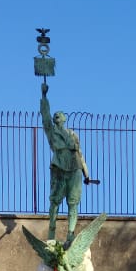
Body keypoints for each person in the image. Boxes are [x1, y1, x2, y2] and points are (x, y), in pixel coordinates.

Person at [41, 81, 92, 241]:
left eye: (60, 114)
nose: (56, 115)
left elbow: (80, 154)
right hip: (59, 169)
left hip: (75, 169)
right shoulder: (52, 133)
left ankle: (70, 235)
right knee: (55, 201)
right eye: (55, 114)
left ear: (64, 118)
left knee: (73, 202)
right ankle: (51, 231)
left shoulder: (72, 134)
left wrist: (87, 174)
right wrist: (44, 96)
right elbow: (45, 117)